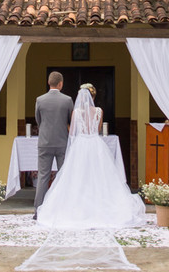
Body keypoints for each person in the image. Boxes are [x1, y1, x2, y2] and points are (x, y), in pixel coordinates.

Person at [35, 84, 146, 229]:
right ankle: (99, 206)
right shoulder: (99, 111)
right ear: (93, 96)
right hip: (95, 144)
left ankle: (77, 207)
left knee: (78, 177)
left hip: (80, 145)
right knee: (98, 176)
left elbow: (72, 131)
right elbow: (98, 129)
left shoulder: (76, 112)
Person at [33, 71, 74, 216]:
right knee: (64, 176)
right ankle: (64, 209)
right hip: (62, 141)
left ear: (48, 83)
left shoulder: (40, 100)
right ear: (61, 84)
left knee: (43, 176)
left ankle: (38, 210)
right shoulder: (67, 100)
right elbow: (71, 121)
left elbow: (38, 120)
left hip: (44, 141)